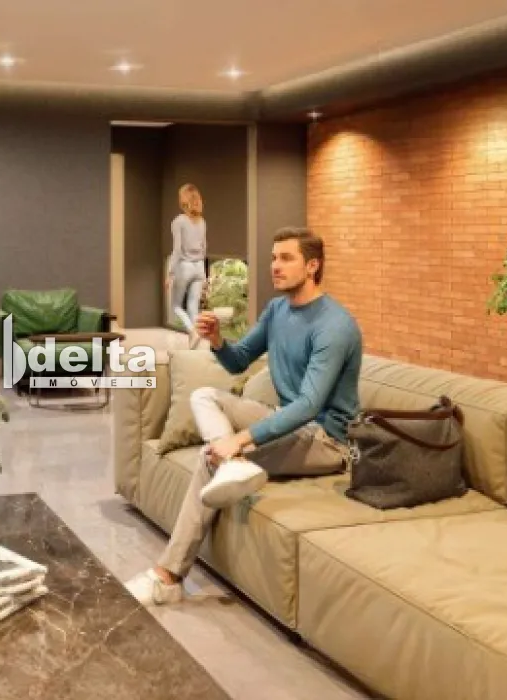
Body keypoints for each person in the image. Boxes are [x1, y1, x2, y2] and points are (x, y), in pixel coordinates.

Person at [126, 227, 363, 606]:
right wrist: (218, 341)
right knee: (205, 396)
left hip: (326, 440)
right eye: (273, 258)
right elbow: (238, 362)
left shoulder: (334, 326)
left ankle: (167, 577)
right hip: (288, 421)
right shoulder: (278, 310)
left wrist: (239, 440)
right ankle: (233, 465)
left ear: (312, 266)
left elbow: (309, 405)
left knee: (210, 458)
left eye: (286, 258)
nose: (275, 266)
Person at [167, 184, 207, 337]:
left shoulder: (178, 221)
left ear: (183, 201)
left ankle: (192, 332)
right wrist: (203, 274)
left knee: (176, 306)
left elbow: (177, 250)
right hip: (199, 267)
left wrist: (170, 273)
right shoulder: (202, 222)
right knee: (193, 307)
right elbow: (204, 247)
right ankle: (195, 337)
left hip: (185, 267)